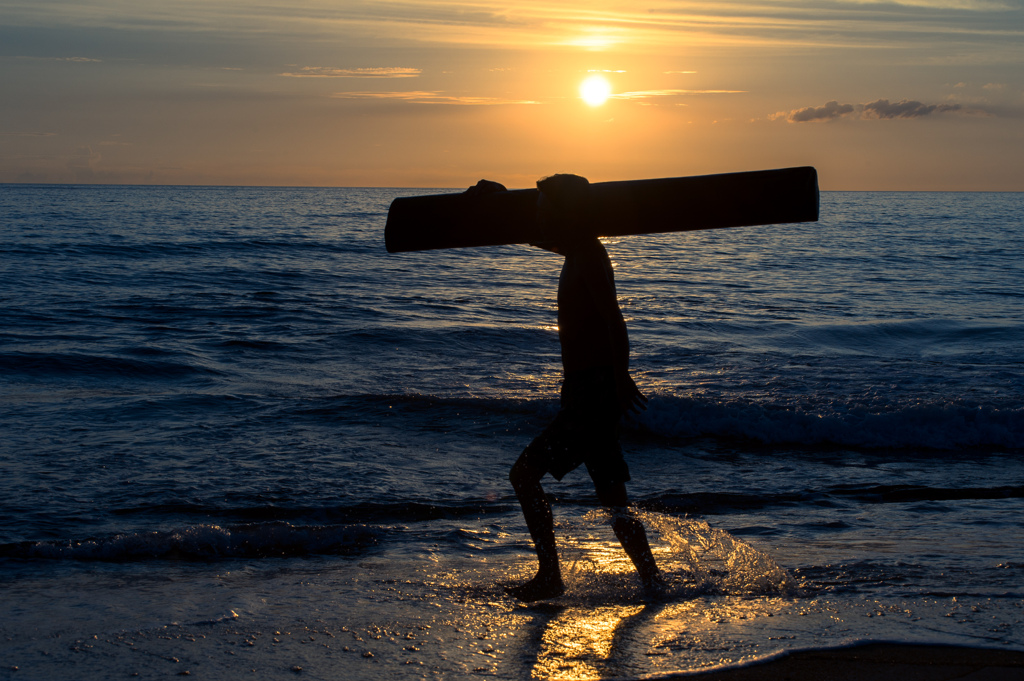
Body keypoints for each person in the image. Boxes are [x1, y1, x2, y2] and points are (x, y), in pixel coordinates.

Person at [505, 173, 661, 602]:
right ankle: (652, 581)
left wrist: (620, 377)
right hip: (585, 390)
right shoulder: (574, 250)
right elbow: (534, 236)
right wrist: (496, 201)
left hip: (591, 393)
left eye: (543, 207)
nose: (538, 216)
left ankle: (550, 576)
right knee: (612, 496)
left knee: (524, 475)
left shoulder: (589, 255)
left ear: (565, 212)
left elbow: (614, 319)